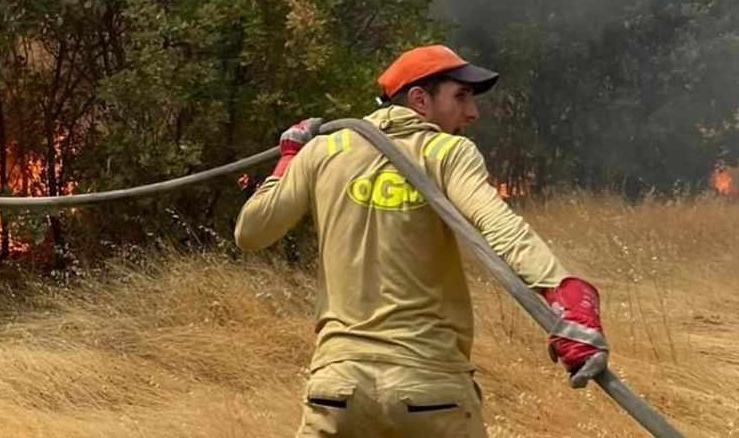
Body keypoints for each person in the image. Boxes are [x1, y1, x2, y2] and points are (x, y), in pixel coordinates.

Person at [234, 44, 608, 438]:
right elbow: (497, 224)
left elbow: (251, 232)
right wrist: (564, 293)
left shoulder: (326, 149)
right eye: (460, 96)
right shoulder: (446, 151)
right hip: (431, 391)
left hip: (338, 392)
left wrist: (290, 159)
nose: (472, 112)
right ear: (419, 99)